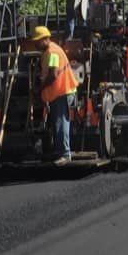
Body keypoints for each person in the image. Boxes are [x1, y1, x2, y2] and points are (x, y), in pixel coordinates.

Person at [29, 25, 78, 164]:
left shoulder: (52, 52)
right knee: (56, 123)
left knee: (61, 122)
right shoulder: (47, 52)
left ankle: (65, 154)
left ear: (45, 39)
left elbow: (53, 74)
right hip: (57, 93)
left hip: (63, 91)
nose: (35, 44)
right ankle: (59, 151)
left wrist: (39, 89)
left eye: (37, 41)